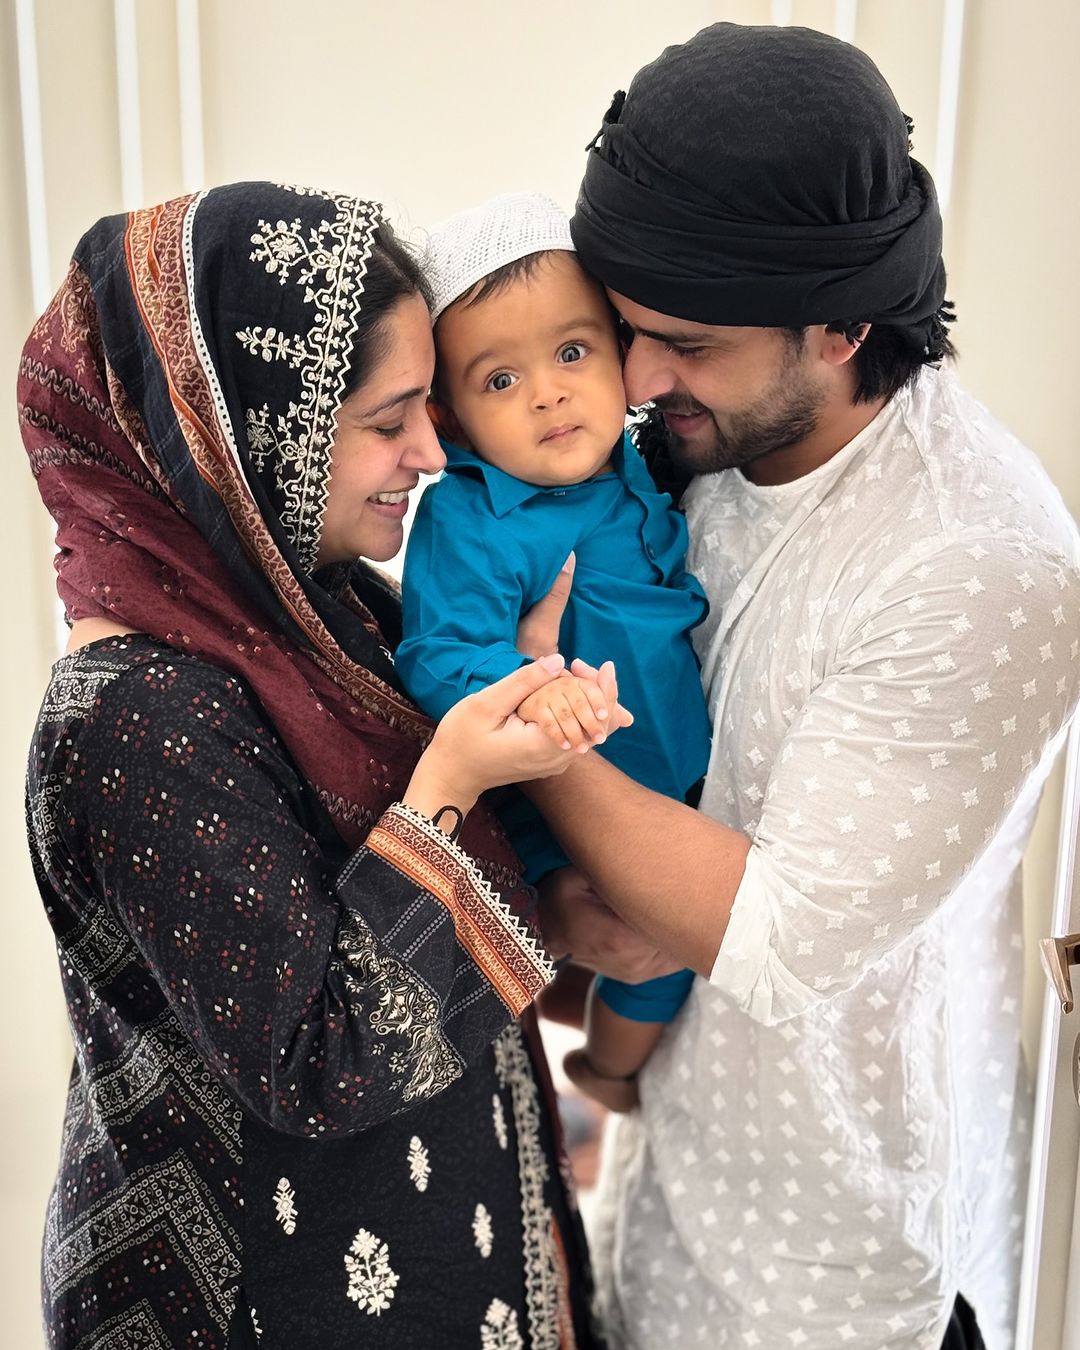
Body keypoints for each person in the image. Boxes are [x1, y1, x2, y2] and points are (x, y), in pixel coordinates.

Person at [522, 22, 1080, 1350]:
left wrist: (517, 706)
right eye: (623, 328)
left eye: (686, 344)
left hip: (839, 1289)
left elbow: (767, 936)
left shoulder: (982, 558)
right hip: (658, 1212)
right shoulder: (679, 446)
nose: (636, 380)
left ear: (841, 326)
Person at [18, 182, 613, 1349]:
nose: (430, 454)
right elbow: (326, 1055)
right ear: (247, 440)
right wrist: (448, 784)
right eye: (389, 420)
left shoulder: (336, 619)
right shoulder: (135, 715)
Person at [396, 192, 711, 1112]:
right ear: (450, 420)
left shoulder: (641, 463)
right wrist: (531, 690)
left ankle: (607, 1074)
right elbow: (441, 652)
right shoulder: (472, 515)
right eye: (500, 381)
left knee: (669, 965)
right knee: (635, 956)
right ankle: (603, 1074)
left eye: (573, 353)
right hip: (567, 810)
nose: (548, 392)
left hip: (675, 790)